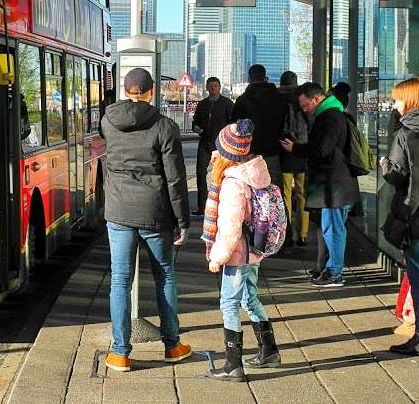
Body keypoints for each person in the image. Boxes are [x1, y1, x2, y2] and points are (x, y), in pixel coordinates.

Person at [100, 67, 191, 372]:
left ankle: (120, 352)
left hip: (119, 212)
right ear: (152, 92)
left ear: (126, 91)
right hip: (156, 213)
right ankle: (172, 345)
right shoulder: (165, 126)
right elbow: (176, 179)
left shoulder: (108, 123)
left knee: (120, 281)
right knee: (165, 276)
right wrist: (183, 222)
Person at [380, 77, 419, 356]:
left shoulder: (405, 133)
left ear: (410, 100)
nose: (395, 105)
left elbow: (397, 175)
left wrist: (384, 165)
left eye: (397, 99)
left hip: (417, 215)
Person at [207, 152, 278, 381]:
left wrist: (217, 258)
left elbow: (230, 228)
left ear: (227, 155)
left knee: (229, 303)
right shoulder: (254, 173)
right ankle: (269, 351)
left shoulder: (233, 183)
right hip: (254, 251)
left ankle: (233, 364)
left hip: (238, 254)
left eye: (216, 151)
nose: (212, 155)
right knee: (250, 298)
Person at [281, 82, 358, 287]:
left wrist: (296, 149)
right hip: (332, 183)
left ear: (316, 99)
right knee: (329, 227)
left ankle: (335, 272)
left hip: (334, 185)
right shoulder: (331, 114)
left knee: (333, 229)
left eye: (306, 106)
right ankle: (330, 269)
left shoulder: (330, 116)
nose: (305, 110)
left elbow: (322, 150)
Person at [231, 64, 288, 229]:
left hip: (250, 156)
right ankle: (283, 235)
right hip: (273, 153)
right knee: (276, 195)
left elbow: (235, 127)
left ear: (249, 79)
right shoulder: (279, 99)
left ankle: (257, 234)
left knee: (252, 196)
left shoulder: (243, 100)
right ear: (266, 77)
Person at [191, 76, 234, 214]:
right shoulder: (202, 104)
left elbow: (233, 123)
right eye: (210, 86)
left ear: (219, 87)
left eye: (215, 86)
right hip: (204, 142)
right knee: (200, 173)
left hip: (221, 145)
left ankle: (221, 205)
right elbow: (195, 122)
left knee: (221, 175)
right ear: (207, 88)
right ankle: (202, 206)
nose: (213, 88)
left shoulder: (227, 104)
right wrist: (196, 128)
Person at [279, 71, 310, 246]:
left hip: (285, 149)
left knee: (285, 193)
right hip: (303, 150)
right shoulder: (303, 98)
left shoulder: (278, 98)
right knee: (302, 194)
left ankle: (287, 230)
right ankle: (303, 233)